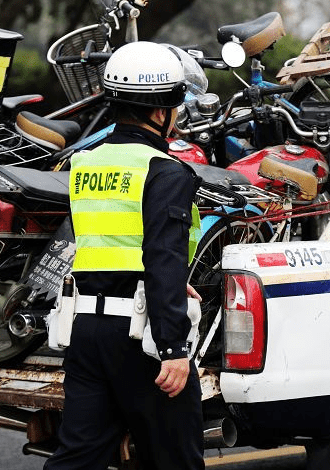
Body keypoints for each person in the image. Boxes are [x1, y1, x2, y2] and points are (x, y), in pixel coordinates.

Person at [44, 41, 205, 470]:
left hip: (86, 332)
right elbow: (162, 256)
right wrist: (173, 347)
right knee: (175, 458)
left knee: (78, 457)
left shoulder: (86, 163)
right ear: (160, 112)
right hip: (142, 338)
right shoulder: (165, 171)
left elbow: (107, 243)